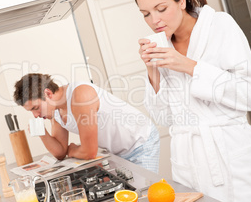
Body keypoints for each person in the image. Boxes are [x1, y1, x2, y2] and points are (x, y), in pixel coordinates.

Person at [133, 0, 251, 202]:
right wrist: (151, 70)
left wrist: (190, 66)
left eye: (161, 8)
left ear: (181, 1)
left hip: (230, 155)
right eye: (146, 14)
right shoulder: (161, 47)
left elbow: (249, 94)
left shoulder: (220, 26)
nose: (154, 20)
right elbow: (164, 117)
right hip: (189, 161)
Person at [13, 73, 160, 173]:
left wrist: (73, 150)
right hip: (117, 152)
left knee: (146, 196)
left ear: (48, 94)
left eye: (36, 108)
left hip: (140, 142)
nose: (35, 115)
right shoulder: (56, 110)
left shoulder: (80, 96)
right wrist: (42, 133)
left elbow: (89, 152)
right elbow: (60, 152)